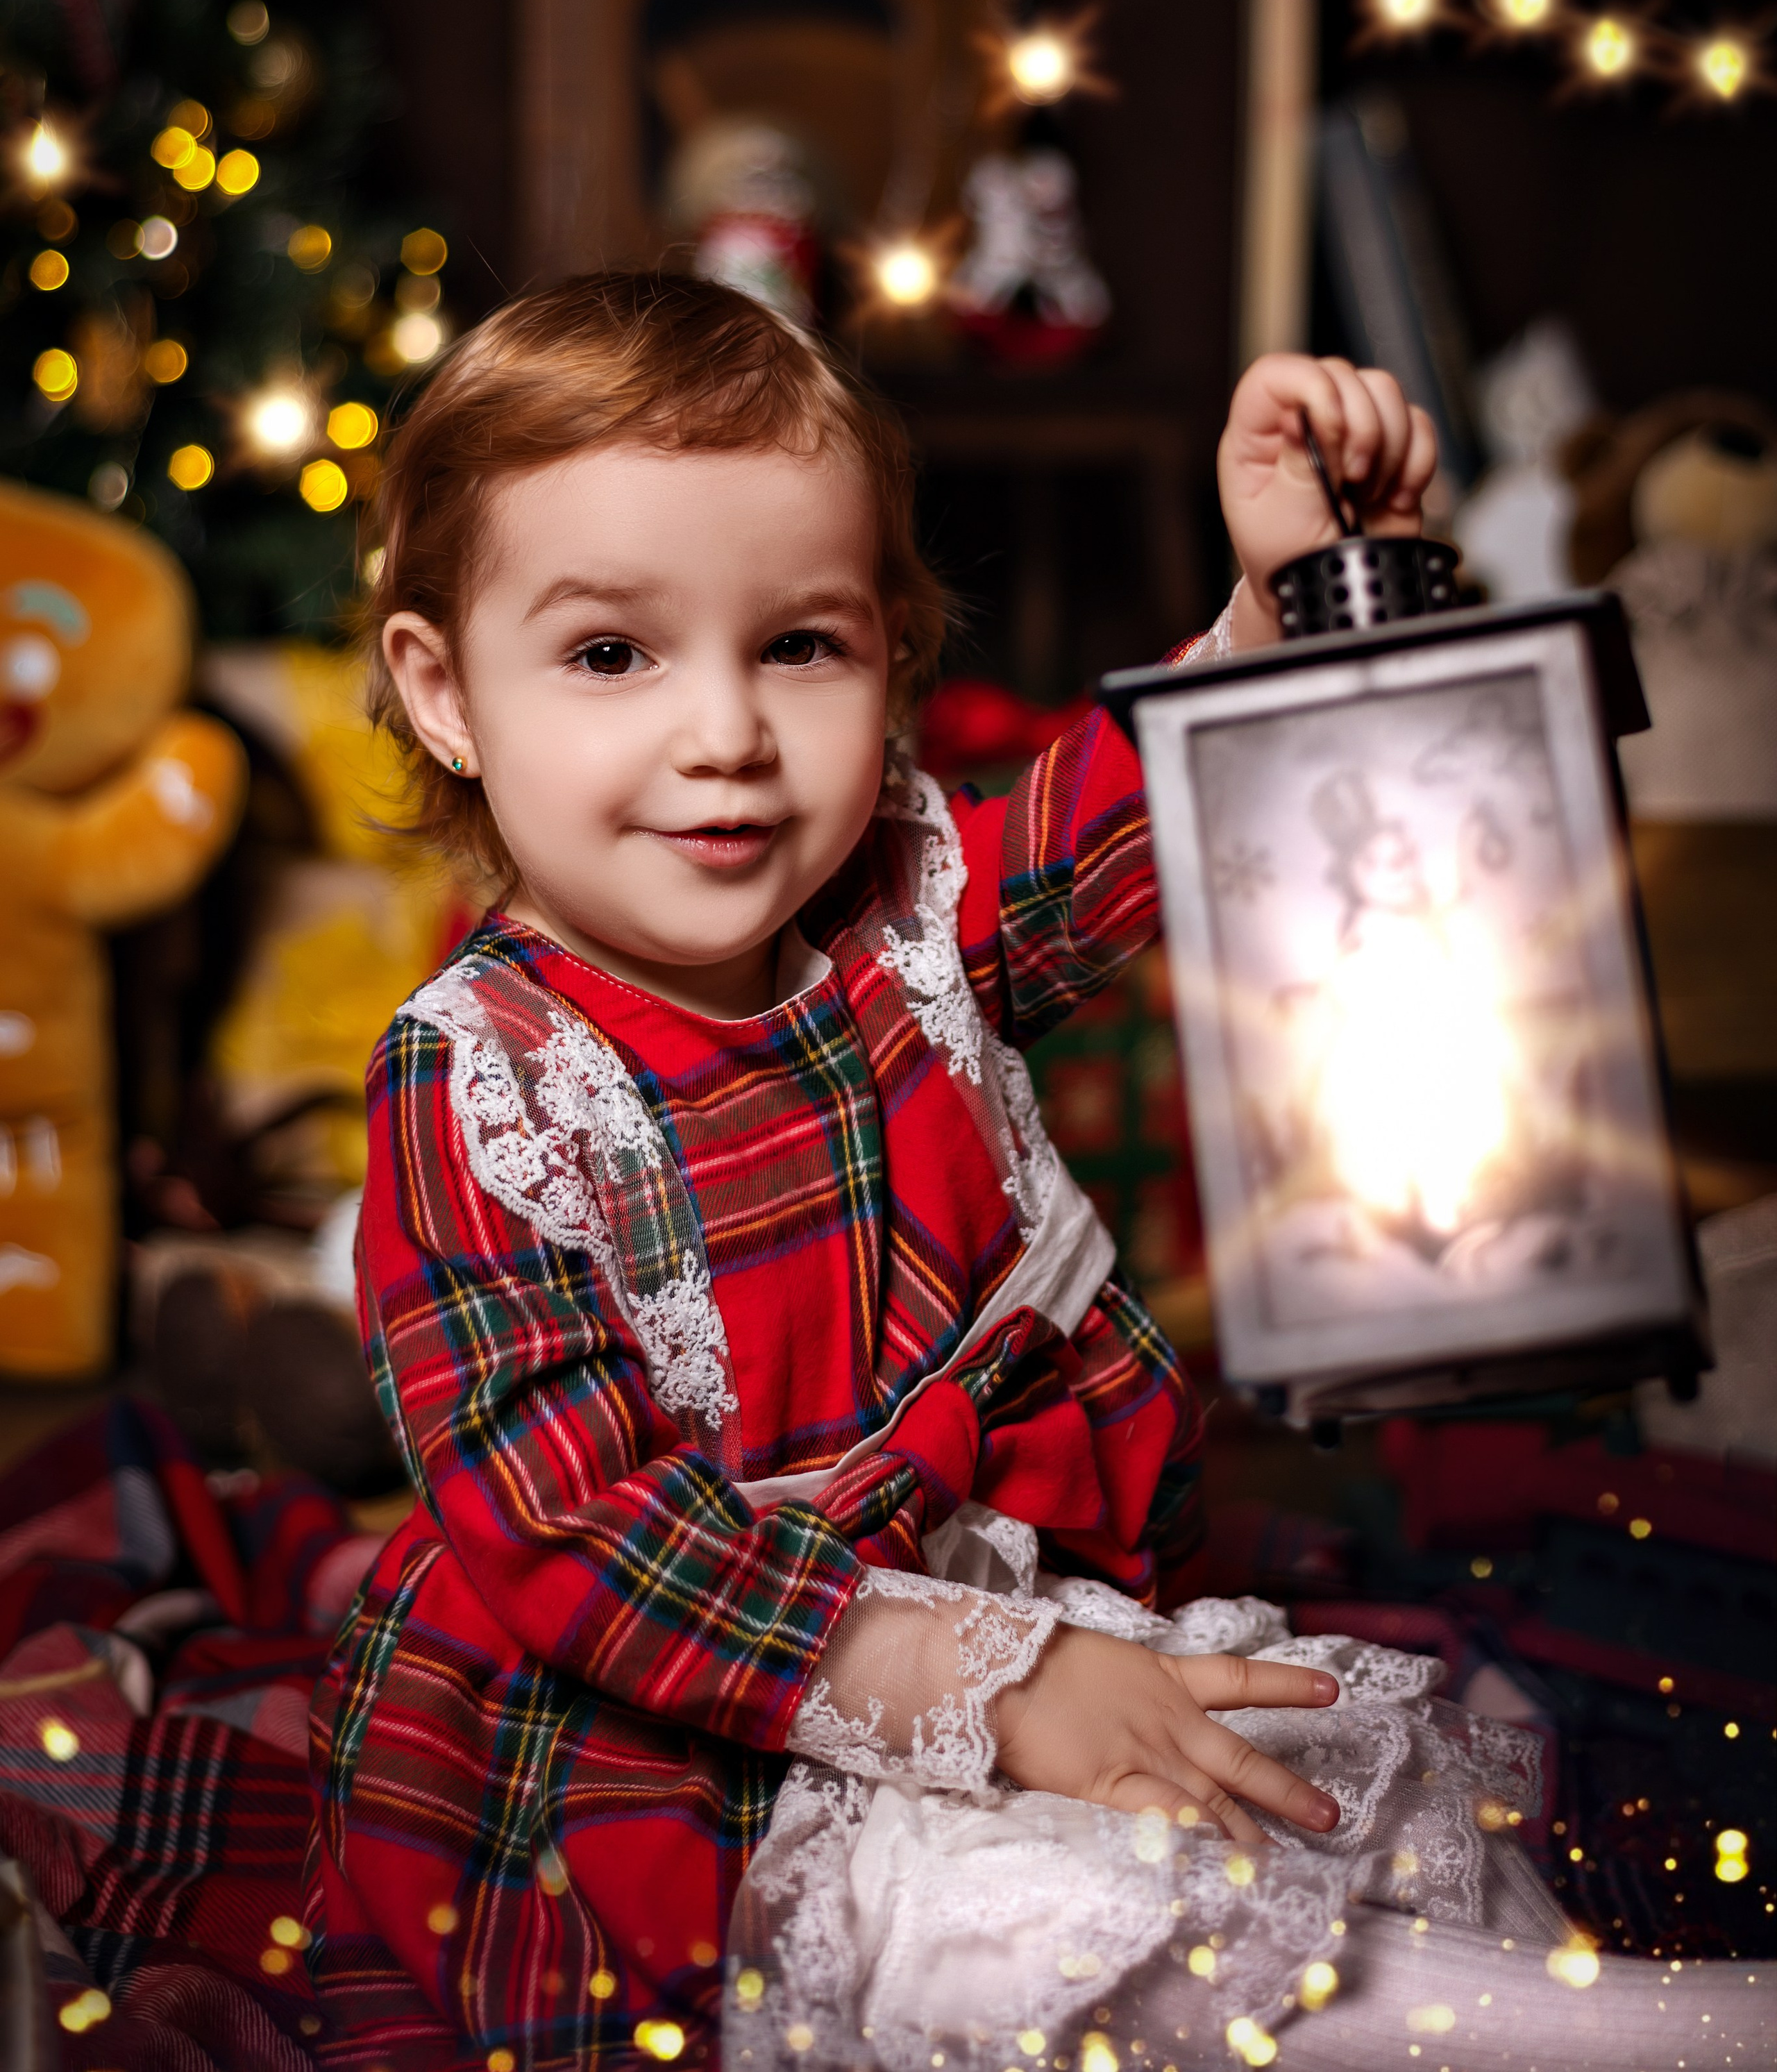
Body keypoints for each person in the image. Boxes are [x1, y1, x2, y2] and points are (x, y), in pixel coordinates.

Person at [305, 277, 1768, 2071]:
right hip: (717, 1714)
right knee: (1074, 1940)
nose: (726, 734)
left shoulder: (891, 907)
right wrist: (992, 1688)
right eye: (614, 652)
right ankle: (1647, 2043)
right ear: (445, 691)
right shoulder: (483, 1083)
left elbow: (1116, 838)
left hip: (1007, 1591)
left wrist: (1276, 605)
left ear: (895, 648)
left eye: (801, 644)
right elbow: (582, 1536)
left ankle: (1570, 2011)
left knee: (1306, 1807)